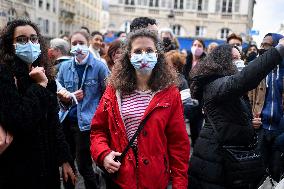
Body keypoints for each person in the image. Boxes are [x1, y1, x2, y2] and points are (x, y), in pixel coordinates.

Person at [90, 29, 190, 189]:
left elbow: (178, 143)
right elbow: (98, 130)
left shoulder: (170, 93)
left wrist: (179, 184)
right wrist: (103, 154)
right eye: (138, 51)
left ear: (157, 55)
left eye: (149, 50)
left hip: (155, 179)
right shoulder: (113, 90)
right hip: (121, 177)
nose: (144, 55)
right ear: (129, 56)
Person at [188, 41, 284, 189]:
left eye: (240, 58)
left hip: (229, 161)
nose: (239, 62)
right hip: (216, 162)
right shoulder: (214, 84)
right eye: (233, 59)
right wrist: (279, 50)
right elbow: (242, 80)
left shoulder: (225, 87)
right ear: (221, 62)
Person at [0, 19, 76, 189]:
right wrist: (39, 86)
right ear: (9, 44)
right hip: (17, 169)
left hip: (46, 166)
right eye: (21, 39)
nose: (29, 43)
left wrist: (64, 159)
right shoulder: (5, 74)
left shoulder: (44, 74)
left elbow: (53, 123)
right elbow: (19, 120)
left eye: (34, 39)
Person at [57, 30, 109, 189]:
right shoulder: (65, 67)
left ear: (88, 44)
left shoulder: (99, 66)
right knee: (66, 164)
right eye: (74, 43)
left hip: (86, 124)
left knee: (84, 165)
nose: (78, 47)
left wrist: (100, 118)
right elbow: (58, 89)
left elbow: (108, 95)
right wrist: (66, 97)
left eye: (81, 43)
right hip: (66, 120)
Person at [249, 33, 284, 182]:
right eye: (261, 45)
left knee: (277, 172)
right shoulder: (258, 69)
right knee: (258, 172)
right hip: (260, 129)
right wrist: (251, 118)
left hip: (280, 131)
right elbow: (248, 98)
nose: (262, 48)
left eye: (267, 45)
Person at [183, 38, 206, 147]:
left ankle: (196, 147)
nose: (196, 48)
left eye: (199, 46)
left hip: (199, 98)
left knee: (197, 126)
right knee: (188, 126)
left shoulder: (206, 62)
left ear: (203, 48)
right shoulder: (186, 60)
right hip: (186, 96)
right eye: (195, 45)